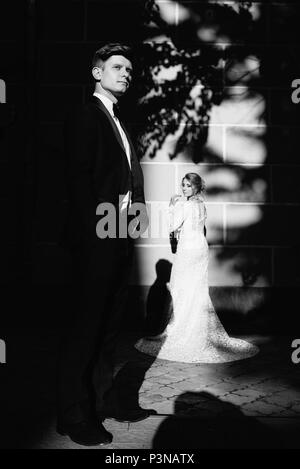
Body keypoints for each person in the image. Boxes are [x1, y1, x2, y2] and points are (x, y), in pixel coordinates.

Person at [57, 43, 151, 446]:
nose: (126, 73)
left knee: (110, 328)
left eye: (129, 69)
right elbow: (79, 184)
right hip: (96, 241)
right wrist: (97, 241)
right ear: (97, 73)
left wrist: (133, 231)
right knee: (86, 328)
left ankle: (104, 400)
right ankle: (74, 415)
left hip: (118, 238)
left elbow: (131, 181)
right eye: (117, 67)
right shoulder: (86, 116)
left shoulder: (120, 121)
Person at [135, 173, 259, 363]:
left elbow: (173, 225)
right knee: (197, 290)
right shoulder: (201, 204)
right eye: (182, 185)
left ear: (195, 187)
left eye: (187, 185)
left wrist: (172, 206)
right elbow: (200, 228)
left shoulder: (184, 205)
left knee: (184, 289)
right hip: (200, 248)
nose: (183, 188)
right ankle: (199, 331)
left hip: (188, 249)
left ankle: (186, 331)